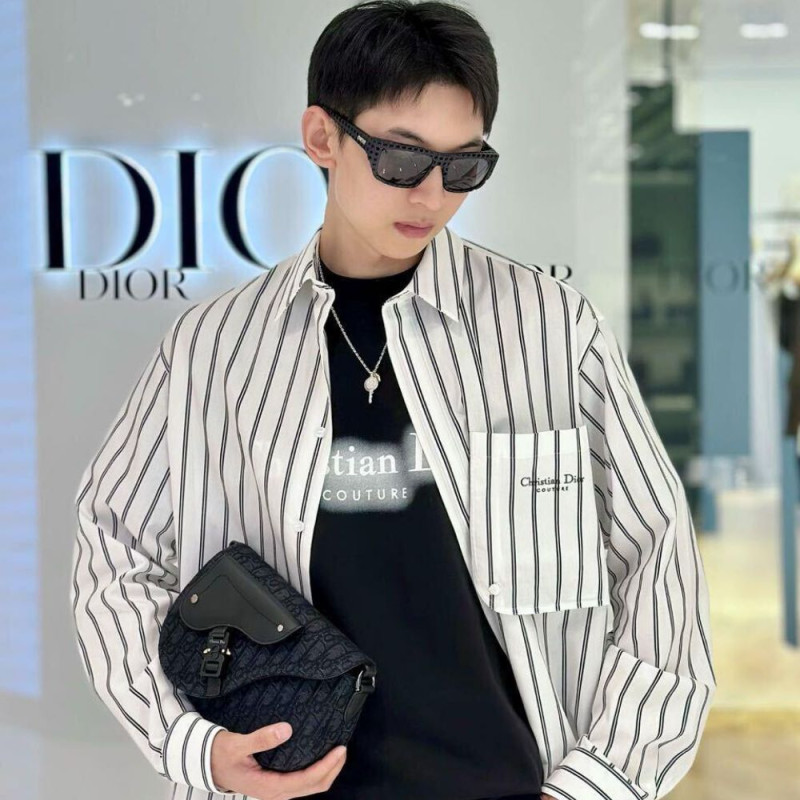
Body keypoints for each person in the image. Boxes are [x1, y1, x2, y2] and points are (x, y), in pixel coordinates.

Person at [70, 2, 716, 799]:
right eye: (403, 159)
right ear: (322, 138)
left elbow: (657, 559)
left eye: (464, 166)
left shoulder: (549, 327)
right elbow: (114, 543)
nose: (433, 195)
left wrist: (601, 781)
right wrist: (189, 745)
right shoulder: (214, 347)